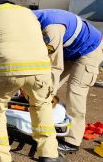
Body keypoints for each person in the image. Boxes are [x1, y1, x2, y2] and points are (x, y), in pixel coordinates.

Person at [0, 0, 62, 162]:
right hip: (41, 69)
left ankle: (1, 159)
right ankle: (49, 155)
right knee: (42, 108)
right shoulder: (28, 13)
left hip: (4, 69)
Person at [34, 9, 102, 154]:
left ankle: (72, 141)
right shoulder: (30, 20)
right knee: (46, 88)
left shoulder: (50, 28)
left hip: (89, 49)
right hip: (69, 48)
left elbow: (53, 67)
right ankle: (50, 122)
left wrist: (43, 91)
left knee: (75, 91)